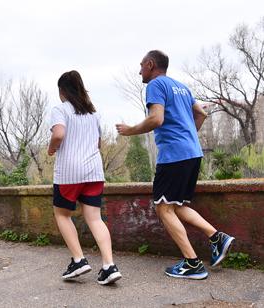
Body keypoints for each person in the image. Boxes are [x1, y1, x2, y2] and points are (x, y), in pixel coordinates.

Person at [116, 50, 235, 279]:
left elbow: (156, 119)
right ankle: (217, 237)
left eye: (141, 65)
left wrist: (130, 130)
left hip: (174, 155)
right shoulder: (181, 87)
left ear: (151, 64)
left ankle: (192, 263)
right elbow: (201, 113)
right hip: (192, 153)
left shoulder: (155, 85)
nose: (139, 70)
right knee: (175, 205)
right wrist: (188, 135)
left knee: (163, 207)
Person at [48, 70, 122, 285]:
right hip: (94, 172)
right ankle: (109, 266)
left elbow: (59, 134)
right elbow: (98, 143)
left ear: (62, 91)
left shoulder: (60, 109)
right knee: (95, 218)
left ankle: (79, 261)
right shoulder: (93, 114)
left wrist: (52, 148)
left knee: (62, 215)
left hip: (69, 173)